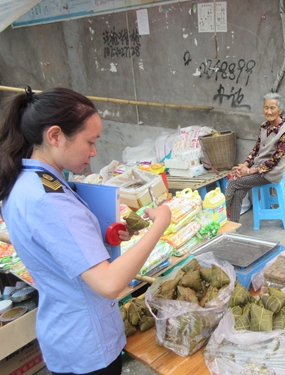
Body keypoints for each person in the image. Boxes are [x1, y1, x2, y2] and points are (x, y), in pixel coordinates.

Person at [0, 87, 172, 375]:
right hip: (86, 344)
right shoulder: (48, 198)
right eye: (89, 142)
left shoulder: (27, 181)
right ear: (54, 136)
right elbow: (108, 283)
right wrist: (160, 224)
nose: (93, 153)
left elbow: (60, 245)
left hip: (63, 330)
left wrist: (103, 235)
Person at [225, 92, 285, 223]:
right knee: (238, 191)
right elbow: (256, 149)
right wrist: (245, 165)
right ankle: (233, 226)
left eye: (272, 108)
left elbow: (273, 162)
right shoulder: (265, 126)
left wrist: (249, 171)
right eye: (266, 107)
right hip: (257, 169)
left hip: (270, 173)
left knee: (233, 182)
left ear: (280, 109)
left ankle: (217, 216)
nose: (268, 111)